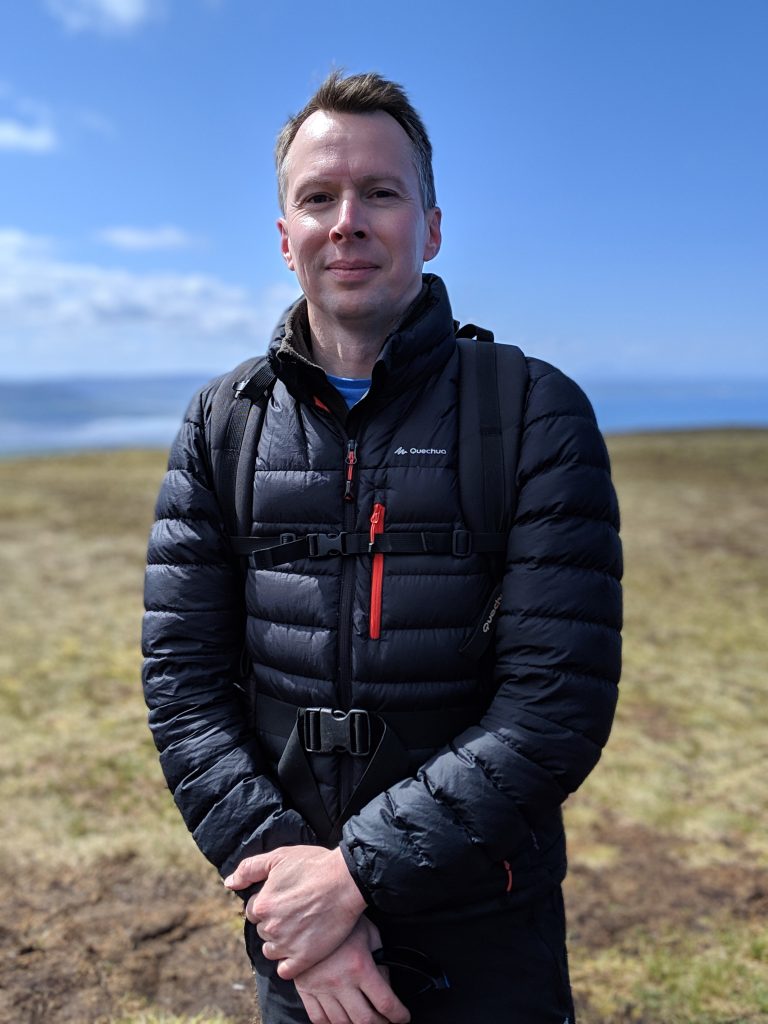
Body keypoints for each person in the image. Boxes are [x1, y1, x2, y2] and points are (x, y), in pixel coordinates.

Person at [142, 70, 622, 1024]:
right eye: (318, 197)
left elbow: (556, 702)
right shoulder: (220, 424)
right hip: (298, 940)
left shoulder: (533, 411)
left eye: (381, 193)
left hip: (490, 925)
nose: (347, 220)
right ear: (287, 238)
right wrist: (298, 904)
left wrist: (352, 878)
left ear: (431, 227)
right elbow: (183, 686)